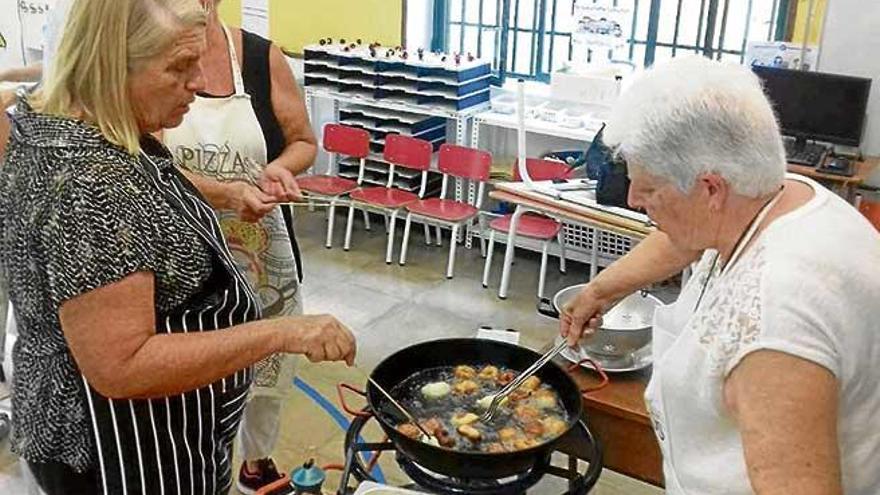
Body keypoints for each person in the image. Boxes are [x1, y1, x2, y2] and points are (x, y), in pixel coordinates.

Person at [0, 1, 356, 494]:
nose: (195, 82)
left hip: (141, 432)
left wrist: (228, 193)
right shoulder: (92, 185)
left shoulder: (79, 128)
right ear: (111, 63)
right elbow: (122, 366)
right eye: (177, 67)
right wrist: (279, 333)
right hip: (125, 452)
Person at [560, 56, 880, 494]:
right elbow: (686, 237)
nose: (634, 199)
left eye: (649, 188)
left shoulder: (778, 322)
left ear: (710, 188)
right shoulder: (774, 192)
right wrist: (601, 290)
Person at [162, 0, 316, 491]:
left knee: (269, 363)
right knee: (196, 370)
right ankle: (199, 471)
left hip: (260, 251)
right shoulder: (145, 56)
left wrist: (281, 168)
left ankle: (257, 459)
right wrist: (225, 193)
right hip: (183, 254)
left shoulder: (258, 56)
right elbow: (137, 158)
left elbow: (303, 141)